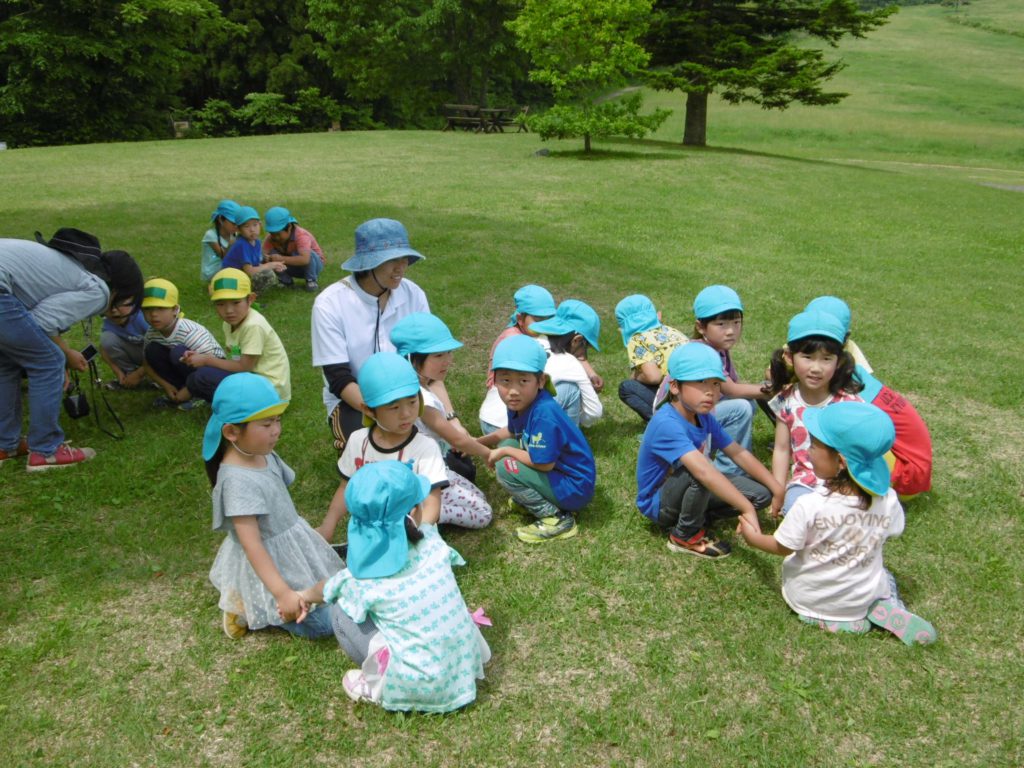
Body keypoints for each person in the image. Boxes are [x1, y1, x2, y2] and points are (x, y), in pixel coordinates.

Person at [295, 461, 491, 711]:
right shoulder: (433, 542)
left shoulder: (358, 581)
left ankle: (376, 681)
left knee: (339, 610)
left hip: (417, 686)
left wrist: (303, 595)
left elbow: (326, 589)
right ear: (414, 511)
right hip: (463, 667)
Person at [738, 402, 937, 645]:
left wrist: (753, 538)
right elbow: (893, 531)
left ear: (841, 462)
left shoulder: (810, 504)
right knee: (884, 575)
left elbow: (783, 547)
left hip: (808, 599)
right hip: (861, 597)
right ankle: (884, 605)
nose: (808, 451)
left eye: (813, 445)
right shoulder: (888, 500)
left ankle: (826, 617)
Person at [204, 373, 343, 640]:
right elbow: (253, 545)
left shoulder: (260, 452)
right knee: (325, 626)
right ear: (232, 432)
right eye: (266, 424)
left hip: (288, 547)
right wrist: (283, 594)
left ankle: (253, 602)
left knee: (338, 594)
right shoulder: (236, 482)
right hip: (267, 563)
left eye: (277, 420)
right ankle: (247, 605)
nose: (276, 430)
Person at [0, 236, 143, 469]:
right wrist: (65, 353)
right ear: (120, 289)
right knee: (48, 362)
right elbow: (42, 321)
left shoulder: (69, 267)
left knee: (6, 362)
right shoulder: (98, 289)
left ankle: (6, 444)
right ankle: (46, 450)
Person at [636, 343, 782, 559]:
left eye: (715, 384)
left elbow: (738, 453)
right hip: (659, 504)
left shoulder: (703, 416)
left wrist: (777, 489)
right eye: (701, 382)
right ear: (675, 387)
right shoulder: (666, 423)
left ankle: (696, 516)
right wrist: (746, 509)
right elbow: (704, 472)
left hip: (688, 487)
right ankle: (684, 535)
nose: (710, 392)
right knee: (701, 472)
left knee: (761, 495)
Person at [311, 218, 429, 452]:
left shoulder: (412, 294)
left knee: (454, 462)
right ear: (368, 265)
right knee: (367, 455)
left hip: (407, 396)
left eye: (404, 259)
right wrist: (382, 414)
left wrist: (447, 416)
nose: (401, 267)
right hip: (354, 400)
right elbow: (338, 378)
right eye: (392, 260)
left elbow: (427, 359)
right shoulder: (330, 304)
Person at [317, 351, 462, 542]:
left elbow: (432, 502)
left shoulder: (425, 447)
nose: (406, 413)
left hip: (413, 536)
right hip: (368, 537)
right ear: (369, 410)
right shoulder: (358, 442)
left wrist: (416, 532)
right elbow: (346, 487)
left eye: (412, 402)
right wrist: (328, 525)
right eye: (394, 407)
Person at [805, 295, 932, 498]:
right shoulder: (846, 366)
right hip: (911, 468)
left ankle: (856, 493)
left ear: (845, 339)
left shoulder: (846, 381)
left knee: (843, 435)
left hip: (907, 473)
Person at [480, 335, 596, 543]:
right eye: (505, 381)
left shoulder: (544, 413)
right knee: (507, 443)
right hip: (561, 475)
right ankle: (535, 498)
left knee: (506, 465)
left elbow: (544, 465)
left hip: (574, 487)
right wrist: (478, 442)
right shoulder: (521, 402)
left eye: (523, 381)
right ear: (494, 380)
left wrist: (504, 452)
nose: (513, 391)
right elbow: (511, 431)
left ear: (540, 381)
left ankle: (556, 517)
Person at [390, 312, 493, 528]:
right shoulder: (420, 400)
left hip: (432, 464)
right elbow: (457, 439)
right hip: (423, 473)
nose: (447, 361)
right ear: (411, 358)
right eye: (438, 356)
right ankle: (422, 515)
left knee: (477, 493)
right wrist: (488, 453)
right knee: (483, 512)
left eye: (448, 353)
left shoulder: (416, 386)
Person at [766, 310, 863, 514]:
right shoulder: (785, 401)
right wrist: (778, 491)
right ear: (790, 357)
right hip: (805, 483)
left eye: (826, 359)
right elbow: (782, 449)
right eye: (808, 357)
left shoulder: (850, 404)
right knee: (796, 510)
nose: (816, 368)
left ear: (839, 361)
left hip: (844, 484)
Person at [687, 285, 764, 474]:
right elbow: (731, 390)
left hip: (697, 414)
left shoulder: (718, 348)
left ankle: (718, 446)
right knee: (741, 407)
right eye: (721, 324)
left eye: (736, 322)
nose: (730, 331)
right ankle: (729, 471)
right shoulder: (703, 353)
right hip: (683, 423)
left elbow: (735, 386)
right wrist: (771, 389)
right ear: (700, 327)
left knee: (749, 402)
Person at [181, 268, 291, 401]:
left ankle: (219, 401)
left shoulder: (253, 326)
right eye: (220, 304)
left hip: (269, 391)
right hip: (250, 378)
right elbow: (237, 358)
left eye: (236, 302)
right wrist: (203, 359)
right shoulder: (229, 323)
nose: (229, 310)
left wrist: (206, 360)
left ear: (250, 299)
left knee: (202, 376)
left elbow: (244, 367)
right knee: (181, 355)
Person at [478, 284, 556, 435]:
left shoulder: (530, 335)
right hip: (501, 422)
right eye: (539, 319)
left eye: (549, 319)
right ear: (520, 319)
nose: (545, 325)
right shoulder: (514, 340)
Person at [141, 278, 228, 410]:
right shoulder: (151, 333)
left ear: (175, 309)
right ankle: (178, 390)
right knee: (152, 350)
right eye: (148, 309)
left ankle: (200, 395)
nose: (153, 314)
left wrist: (189, 390)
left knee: (178, 352)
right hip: (186, 372)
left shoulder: (190, 332)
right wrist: (166, 386)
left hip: (211, 372)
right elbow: (147, 365)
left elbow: (211, 363)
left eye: (161, 308)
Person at [528, 299, 604, 428]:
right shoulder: (569, 361)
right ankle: (568, 435)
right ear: (576, 340)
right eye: (586, 347)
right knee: (571, 389)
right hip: (530, 426)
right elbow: (594, 412)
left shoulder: (529, 342)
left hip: (499, 422)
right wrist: (582, 416)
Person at [614, 294, 688, 422]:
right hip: (698, 389)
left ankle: (665, 423)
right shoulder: (672, 331)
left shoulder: (637, 339)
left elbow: (653, 377)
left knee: (626, 388)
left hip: (680, 397)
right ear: (657, 315)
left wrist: (636, 376)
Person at [221, 205, 289, 294]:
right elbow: (249, 271)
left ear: (260, 225)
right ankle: (249, 294)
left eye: (255, 225)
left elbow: (255, 265)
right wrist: (269, 265)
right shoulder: (241, 244)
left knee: (267, 271)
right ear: (238, 229)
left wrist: (274, 266)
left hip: (240, 276)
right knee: (267, 274)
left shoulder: (256, 242)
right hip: (229, 281)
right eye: (246, 226)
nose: (252, 229)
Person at [262, 206, 325, 293]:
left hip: (313, 266)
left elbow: (305, 259)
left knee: (305, 253)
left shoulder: (301, 235)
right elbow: (262, 254)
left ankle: (311, 280)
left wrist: (280, 259)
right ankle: (286, 282)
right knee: (272, 254)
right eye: (272, 234)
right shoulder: (271, 238)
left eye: (278, 234)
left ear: (289, 227)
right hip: (293, 265)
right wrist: (267, 258)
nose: (275, 237)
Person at [99, 289, 149, 390]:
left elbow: (160, 347)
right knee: (106, 339)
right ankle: (128, 375)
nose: (113, 310)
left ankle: (155, 377)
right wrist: (118, 371)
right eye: (108, 305)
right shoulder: (109, 322)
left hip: (154, 355)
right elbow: (103, 350)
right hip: (140, 354)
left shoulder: (141, 318)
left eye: (119, 303)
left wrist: (139, 374)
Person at [201, 199, 239, 283]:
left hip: (226, 269)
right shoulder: (211, 235)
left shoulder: (234, 234)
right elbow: (225, 258)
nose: (236, 226)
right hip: (212, 272)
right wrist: (231, 245)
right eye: (233, 223)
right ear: (221, 219)